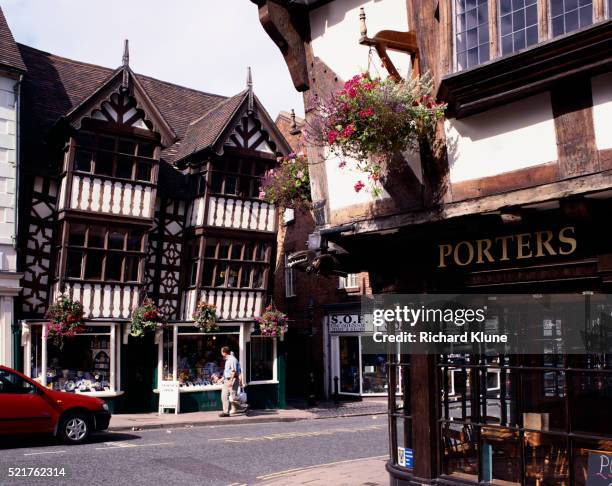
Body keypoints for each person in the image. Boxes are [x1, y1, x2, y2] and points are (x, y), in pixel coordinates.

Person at [219, 346, 240, 417]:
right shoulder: (227, 360)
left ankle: (244, 405)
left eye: (221, 351)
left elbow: (234, 371)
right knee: (224, 396)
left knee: (233, 397)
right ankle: (226, 412)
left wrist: (231, 381)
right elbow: (227, 372)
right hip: (226, 380)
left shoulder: (232, 359)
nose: (221, 353)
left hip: (232, 380)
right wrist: (222, 379)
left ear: (224, 352)